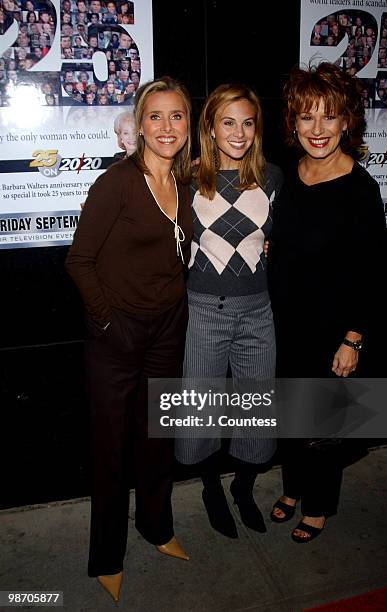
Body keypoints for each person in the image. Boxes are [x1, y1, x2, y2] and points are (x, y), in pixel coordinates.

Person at [65, 76, 193, 603]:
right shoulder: (116, 182)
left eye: (177, 116)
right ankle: (107, 556)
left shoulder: (187, 181)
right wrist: (109, 321)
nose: (167, 127)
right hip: (117, 335)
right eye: (156, 117)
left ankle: (157, 527)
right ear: (139, 126)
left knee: (156, 437)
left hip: (168, 329)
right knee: (112, 449)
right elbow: (79, 261)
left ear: (189, 124)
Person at [267, 62, 386, 542]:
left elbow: (375, 273)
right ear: (293, 122)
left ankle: (317, 506)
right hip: (284, 322)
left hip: (333, 330)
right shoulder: (286, 176)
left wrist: (353, 338)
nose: (318, 130)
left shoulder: (361, 190)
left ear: (346, 122)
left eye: (329, 117)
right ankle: (294, 487)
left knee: (323, 421)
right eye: (307, 117)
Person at [175, 84, 283, 538]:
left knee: (254, 414)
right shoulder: (186, 181)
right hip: (204, 312)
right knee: (202, 414)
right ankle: (210, 488)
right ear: (210, 128)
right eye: (227, 122)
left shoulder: (275, 177)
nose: (239, 133)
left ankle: (241, 487)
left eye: (248, 122)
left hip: (258, 312)